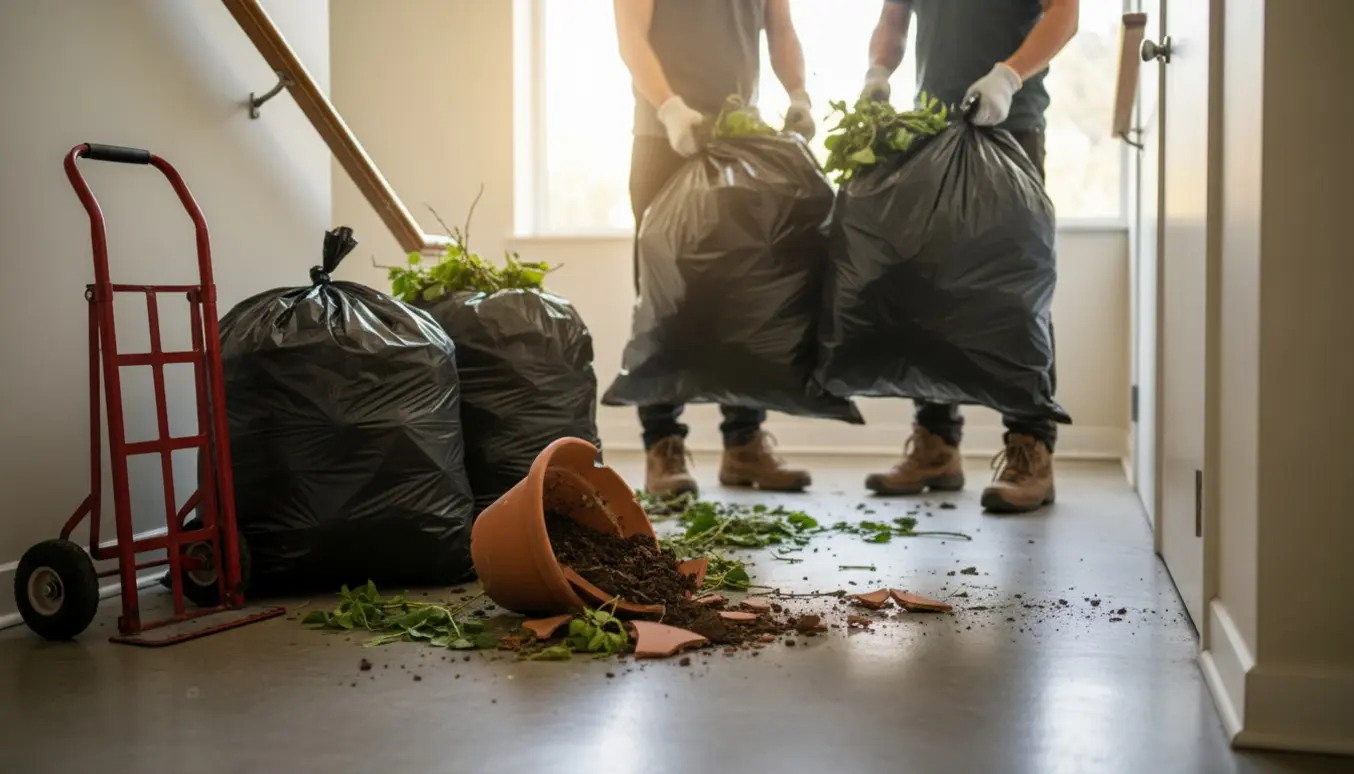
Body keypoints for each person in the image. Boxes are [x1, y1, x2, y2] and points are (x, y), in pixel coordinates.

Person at [859, 0, 1079, 513]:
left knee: (1016, 293)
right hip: (931, 128)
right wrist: (876, 71)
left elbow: (1064, 15)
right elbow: (893, 21)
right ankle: (936, 443)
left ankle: (1031, 446)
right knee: (928, 287)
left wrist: (1008, 75)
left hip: (1010, 126)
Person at [613, 0, 817, 498]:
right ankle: (662, 446)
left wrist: (799, 93)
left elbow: (781, 28)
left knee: (746, 296)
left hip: (738, 139)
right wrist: (669, 107)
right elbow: (630, 36)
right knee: (663, 299)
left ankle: (744, 443)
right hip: (663, 140)